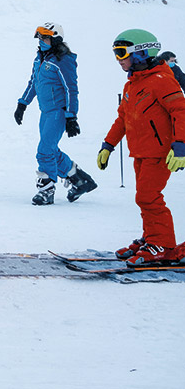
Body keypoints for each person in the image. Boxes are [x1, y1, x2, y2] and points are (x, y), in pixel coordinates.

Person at [97, 30, 185, 265]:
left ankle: (163, 246)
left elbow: (181, 112)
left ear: (142, 52)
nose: (118, 59)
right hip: (140, 152)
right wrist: (108, 145)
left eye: (122, 52)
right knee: (144, 198)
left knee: (149, 197)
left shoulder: (162, 81)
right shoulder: (132, 85)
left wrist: (180, 146)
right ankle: (152, 238)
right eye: (115, 53)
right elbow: (122, 119)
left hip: (160, 152)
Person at [15, 22, 97, 205]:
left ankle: (46, 190)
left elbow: (71, 90)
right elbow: (33, 83)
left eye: (45, 38)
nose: (41, 41)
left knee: (44, 151)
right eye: (39, 37)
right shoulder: (40, 58)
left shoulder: (63, 60)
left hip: (58, 113)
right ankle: (79, 180)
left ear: (55, 39)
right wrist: (22, 104)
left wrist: (71, 116)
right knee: (50, 149)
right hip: (45, 112)